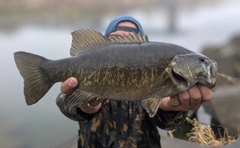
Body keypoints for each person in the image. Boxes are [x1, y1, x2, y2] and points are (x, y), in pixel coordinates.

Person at [56, 15, 213, 148]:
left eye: (131, 39)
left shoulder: (166, 78)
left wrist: (171, 108)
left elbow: (168, 123)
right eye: (116, 39)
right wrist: (86, 107)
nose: (124, 43)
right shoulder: (86, 67)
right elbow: (64, 102)